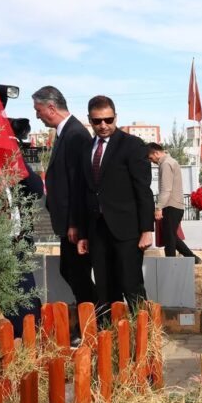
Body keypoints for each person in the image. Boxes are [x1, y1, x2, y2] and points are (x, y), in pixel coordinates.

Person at [76, 96, 155, 316]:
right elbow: (85, 194)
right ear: (90, 120)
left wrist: (147, 230)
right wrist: (83, 233)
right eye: (97, 121)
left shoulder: (132, 145)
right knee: (104, 288)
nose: (103, 125)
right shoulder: (85, 149)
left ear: (115, 117)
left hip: (127, 231)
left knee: (131, 285)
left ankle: (144, 338)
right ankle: (109, 339)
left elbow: (143, 190)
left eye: (108, 120)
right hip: (97, 231)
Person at [31, 86, 95, 307]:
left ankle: (95, 319)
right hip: (66, 222)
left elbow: (78, 184)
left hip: (73, 223)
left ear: (51, 107)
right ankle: (92, 315)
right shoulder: (64, 132)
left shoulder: (75, 134)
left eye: (38, 110)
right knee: (70, 270)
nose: (37, 115)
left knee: (77, 273)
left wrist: (75, 223)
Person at [146, 142, 200, 264]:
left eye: (150, 157)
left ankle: (171, 263)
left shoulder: (166, 164)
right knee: (170, 236)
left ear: (156, 153)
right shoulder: (170, 162)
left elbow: (166, 189)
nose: (151, 161)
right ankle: (191, 258)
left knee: (169, 238)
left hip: (171, 205)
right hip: (174, 205)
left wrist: (159, 207)